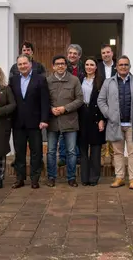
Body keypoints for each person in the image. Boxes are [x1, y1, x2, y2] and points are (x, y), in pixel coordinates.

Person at [98, 55, 133, 189]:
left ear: (130, 67)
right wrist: (109, 114)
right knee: (118, 153)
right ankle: (119, 178)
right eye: (121, 65)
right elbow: (101, 100)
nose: (123, 67)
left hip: (132, 124)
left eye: (126, 64)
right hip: (115, 124)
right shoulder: (108, 82)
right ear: (116, 67)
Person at [9, 55, 50, 189]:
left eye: (24, 63)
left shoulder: (40, 79)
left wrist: (44, 119)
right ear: (17, 66)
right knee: (19, 152)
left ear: (30, 64)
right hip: (18, 123)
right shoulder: (13, 80)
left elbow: (45, 101)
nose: (22, 66)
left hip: (35, 122)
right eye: (20, 64)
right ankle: (20, 178)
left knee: (36, 152)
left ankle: (34, 179)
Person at [47, 55, 84, 187]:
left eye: (63, 63)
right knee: (51, 151)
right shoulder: (47, 81)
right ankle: (51, 177)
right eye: (57, 64)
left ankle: (71, 177)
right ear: (53, 66)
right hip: (52, 121)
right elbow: (44, 100)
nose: (60, 66)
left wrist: (65, 108)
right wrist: (51, 109)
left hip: (70, 120)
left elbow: (80, 99)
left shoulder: (74, 80)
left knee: (71, 151)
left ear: (66, 65)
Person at [78, 57, 106, 186]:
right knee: (83, 150)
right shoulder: (79, 80)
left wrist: (101, 119)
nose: (89, 67)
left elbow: (104, 101)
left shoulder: (101, 81)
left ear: (96, 67)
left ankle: (94, 178)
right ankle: (84, 178)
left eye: (92, 65)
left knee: (95, 150)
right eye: (87, 64)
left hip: (96, 118)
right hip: (82, 117)